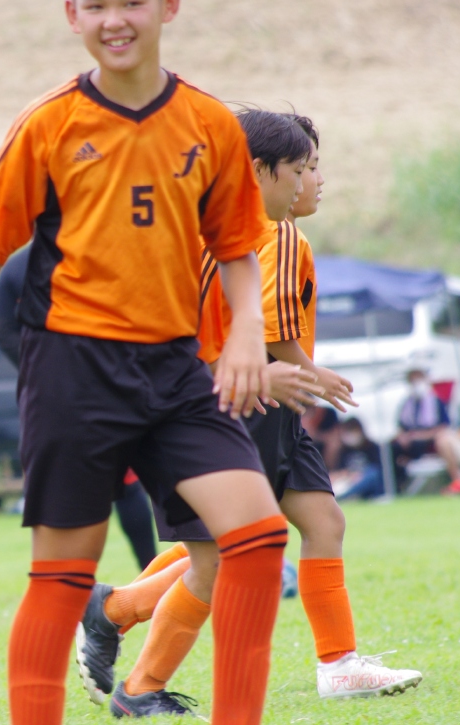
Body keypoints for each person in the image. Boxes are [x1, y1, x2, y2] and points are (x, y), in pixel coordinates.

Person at [0, 0, 296, 722]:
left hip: (175, 368)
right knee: (62, 576)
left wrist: (247, 331)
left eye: (132, 2)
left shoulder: (210, 124)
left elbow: (236, 246)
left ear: (168, 5)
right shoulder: (48, 124)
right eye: (97, 6)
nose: (115, 20)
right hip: (71, 371)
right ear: (72, 14)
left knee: (257, 535)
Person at [77, 111, 422, 716]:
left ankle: (338, 663)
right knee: (221, 555)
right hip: (237, 408)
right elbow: (273, 328)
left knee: (318, 523)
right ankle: (135, 670)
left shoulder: (206, 228)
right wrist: (306, 372)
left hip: (247, 404)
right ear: (260, 171)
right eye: (304, 168)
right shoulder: (277, 234)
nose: (315, 181)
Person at [0, 249, 159, 571]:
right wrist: (46, 369)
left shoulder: (97, 254)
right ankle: (64, 580)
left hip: (95, 388)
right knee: (69, 492)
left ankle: (147, 571)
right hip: (61, 397)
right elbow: (4, 331)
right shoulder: (19, 267)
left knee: (123, 484)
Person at [392, 367, 451, 491]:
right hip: (410, 441)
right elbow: (401, 427)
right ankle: (397, 484)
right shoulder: (406, 403)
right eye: (412, 380)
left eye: (418, 379)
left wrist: (421, 435)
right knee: (391, 449)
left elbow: (443, 427)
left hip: (427, 441)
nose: (415, 383)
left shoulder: (435, 401)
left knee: (418, 444)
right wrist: (403, 437)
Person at [334, 418, 386, 501]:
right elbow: (341, 470)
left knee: (373, 472)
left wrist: (361, 475)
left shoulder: (372, 447)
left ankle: (343, 497)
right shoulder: (344, 451)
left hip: (367, 479)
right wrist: (351, 475)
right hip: (351, 481)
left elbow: (379, 468)